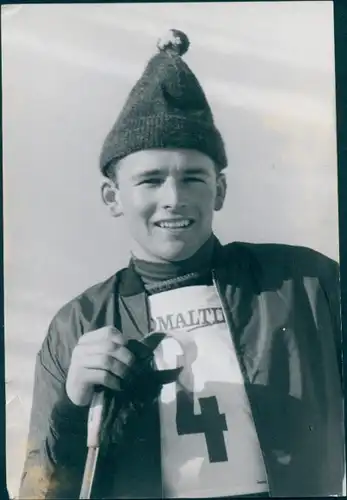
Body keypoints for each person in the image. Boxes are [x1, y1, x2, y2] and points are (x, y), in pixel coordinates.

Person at [18, 29, 344, 499]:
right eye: (150, 180)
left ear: (221, 189)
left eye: (193, 177)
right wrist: (72, 409)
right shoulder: (78, 326)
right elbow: (41, 491)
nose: (173, 199)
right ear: (113, 197)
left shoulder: (311, 284)